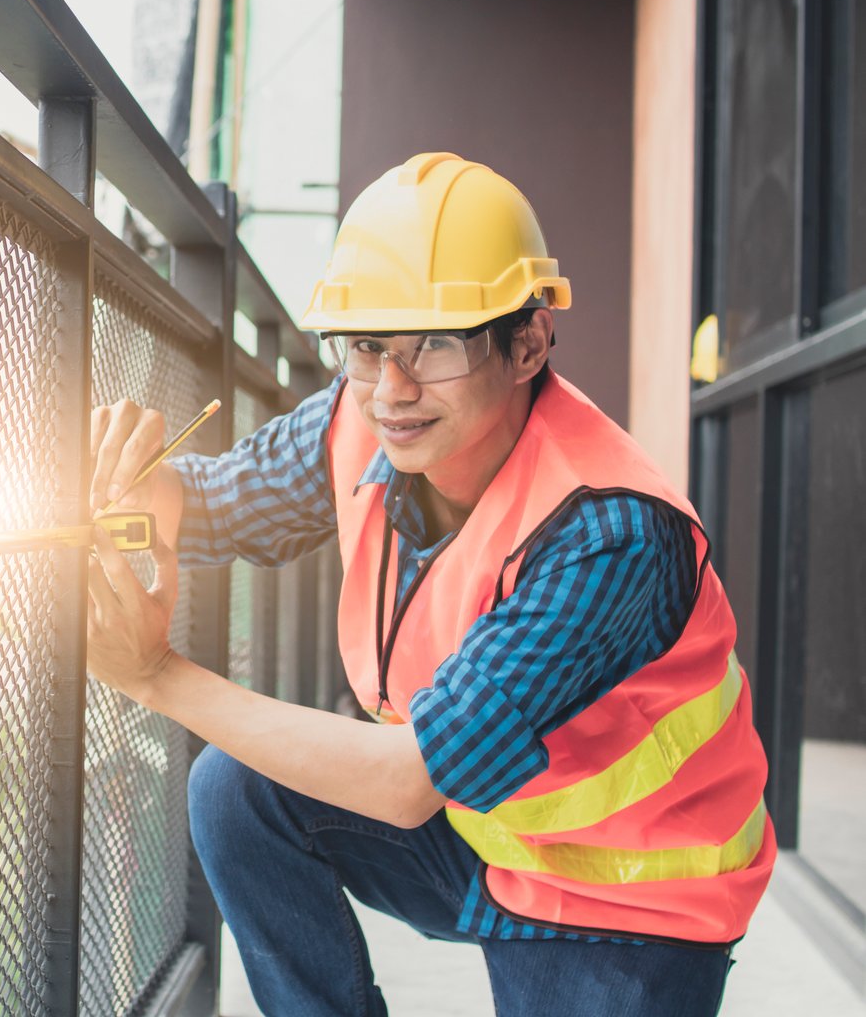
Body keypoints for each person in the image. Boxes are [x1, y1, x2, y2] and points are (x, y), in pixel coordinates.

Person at [84, 152, 772, 1016]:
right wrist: (129, 483)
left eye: (436, 345)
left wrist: (156, 675)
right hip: (489, 836)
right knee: (235, 790)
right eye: (368, 347)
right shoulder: (361, 417)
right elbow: (216, 504)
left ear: (526, 344)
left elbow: (411, 779)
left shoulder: (612, 534)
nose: (393, 390)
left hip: (628, 904)